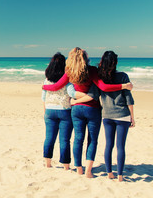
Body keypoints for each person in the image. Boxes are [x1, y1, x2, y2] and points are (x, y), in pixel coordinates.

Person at [42, 47, 133, 178]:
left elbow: (56, 86)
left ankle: (79, 168)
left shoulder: (69, 72)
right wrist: (123, 86)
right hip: (92, 109)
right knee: (92, 140)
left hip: (76, 110)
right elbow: (104, 87)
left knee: (78, 139)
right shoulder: (92, 70)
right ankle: (89, 171)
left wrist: (44, 87)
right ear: (85, 58)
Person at [71, 51, 135, 182]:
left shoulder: (99, 76)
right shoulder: (122, 76)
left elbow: (92, 92)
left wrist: (75, 100)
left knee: (105, 145)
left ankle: (107, 172)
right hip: (120, 114)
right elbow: (128, 98)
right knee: (119, 146)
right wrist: (132, 117)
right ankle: (119, 176)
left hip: (106, 115)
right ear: (115, 63)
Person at [41, 52, 76, 170]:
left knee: (49, 138)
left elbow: (43, 98)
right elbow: (72, 93)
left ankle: (48, 163)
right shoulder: (67, 80)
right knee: (64, 140)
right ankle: (66, 165)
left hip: (49, 111)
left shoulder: (46, 80)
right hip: (64, 111)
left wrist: (45, 111)